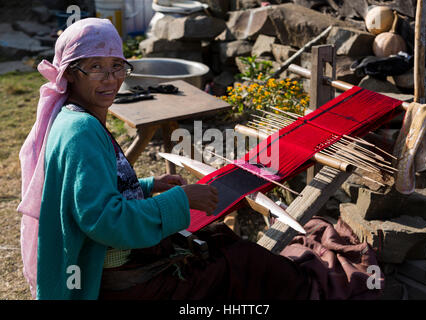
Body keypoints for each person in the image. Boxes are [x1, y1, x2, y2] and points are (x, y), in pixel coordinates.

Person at [18, 18, 383, 300]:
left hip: (118, 261)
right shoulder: (81, 130)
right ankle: (309, 291)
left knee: (219, 239)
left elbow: (96, 190)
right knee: (239, 263)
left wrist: (150, 186)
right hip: (120, 280)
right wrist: (180, 201)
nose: (110, 79)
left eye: (117, 66)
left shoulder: (74, 117)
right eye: (95, 67)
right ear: (69, 73)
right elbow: (103, 220)